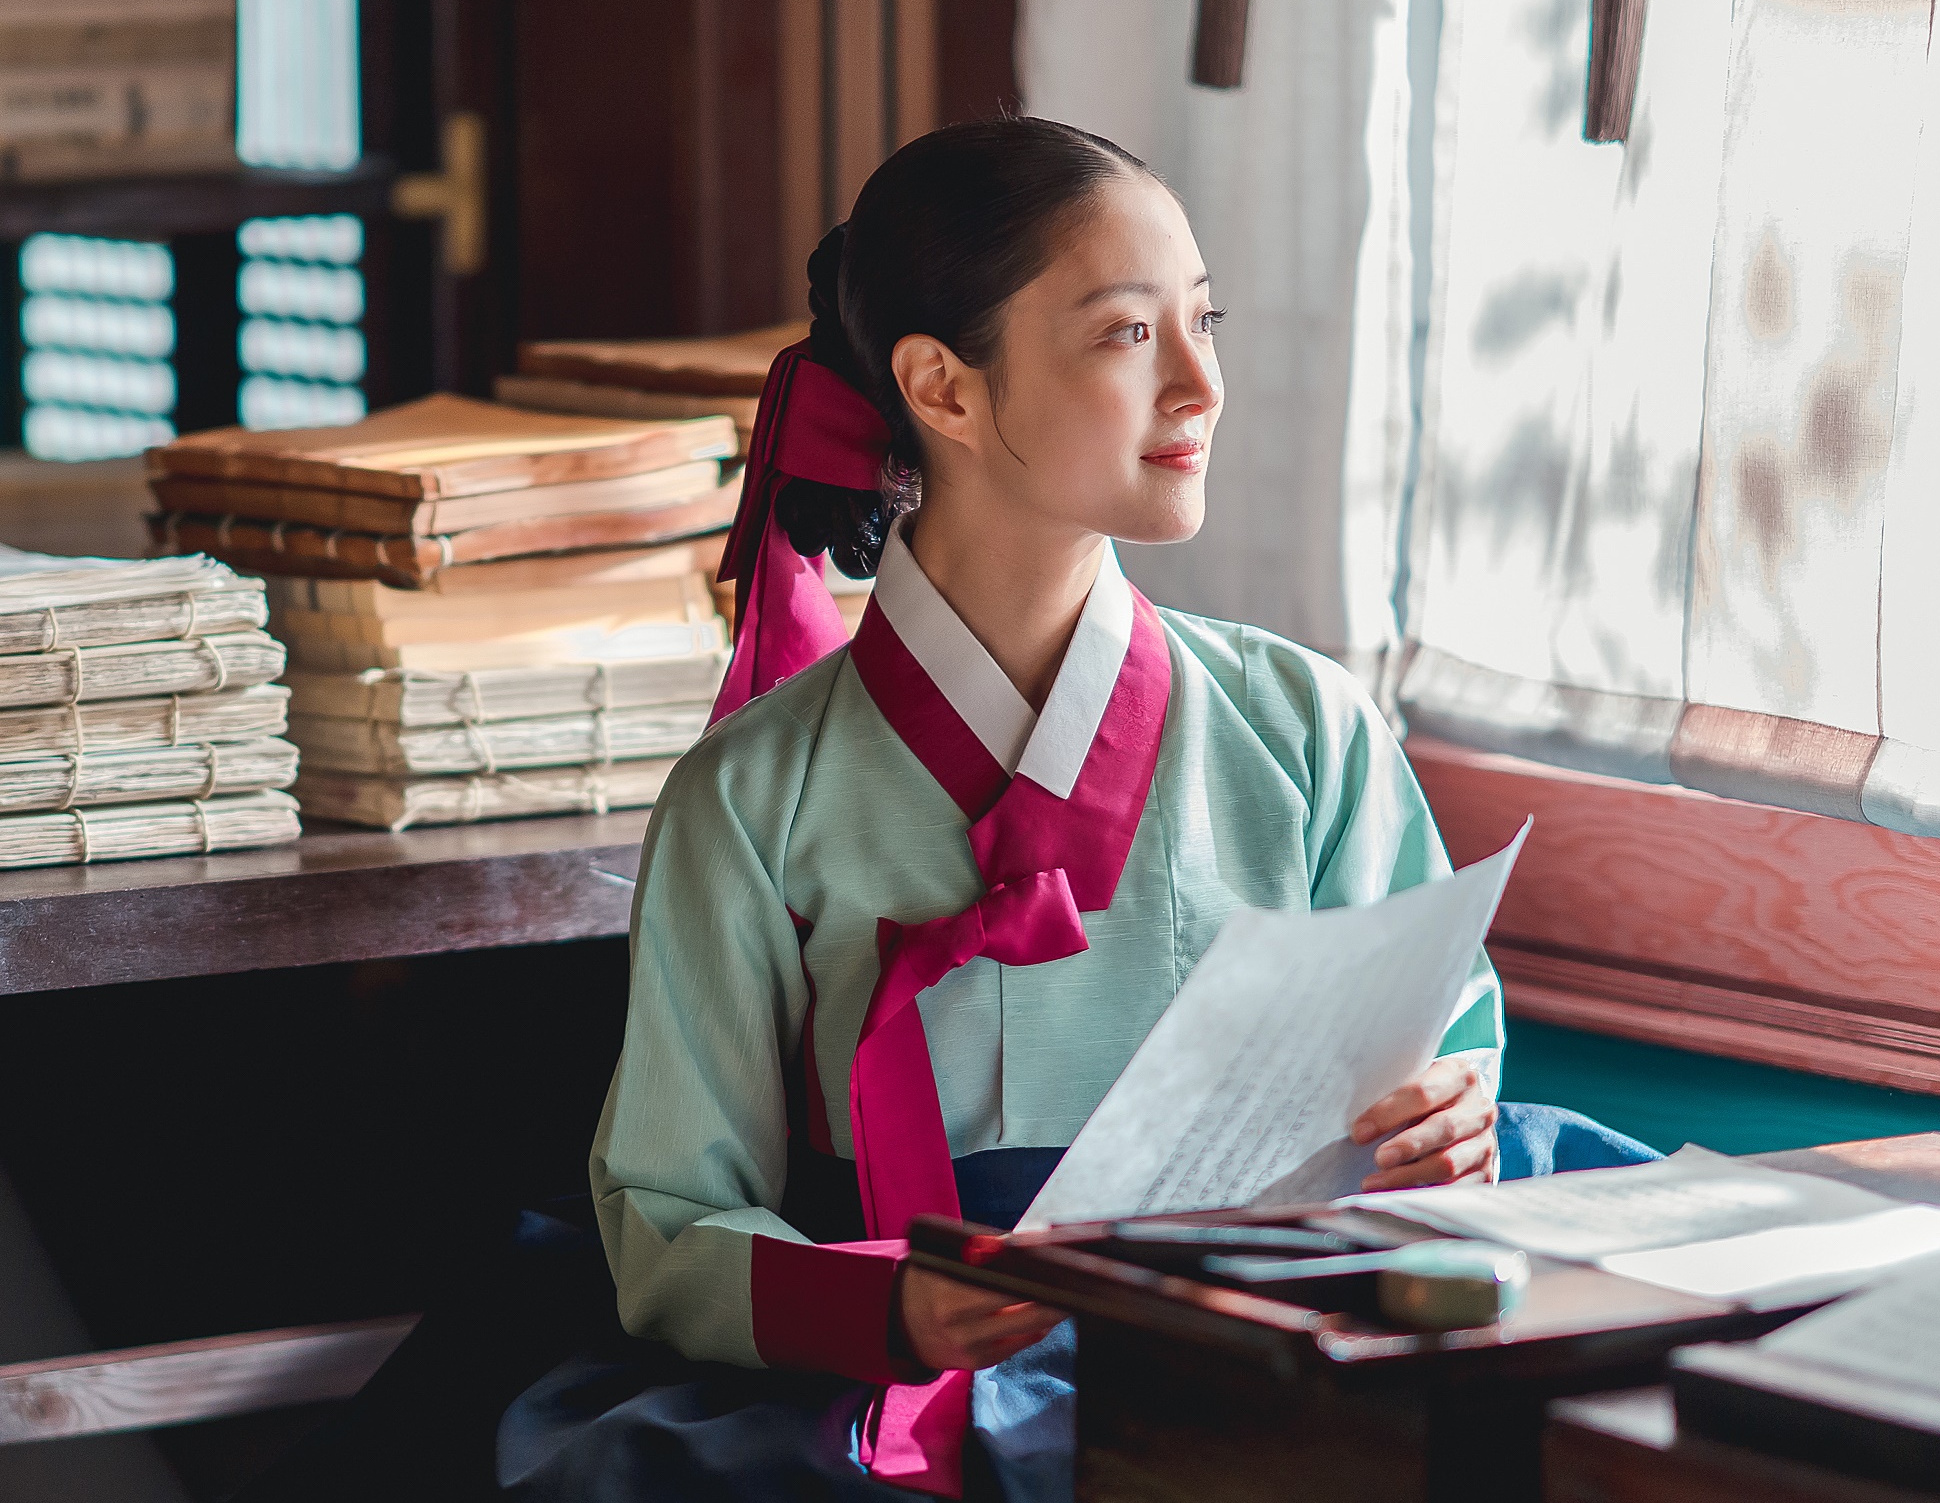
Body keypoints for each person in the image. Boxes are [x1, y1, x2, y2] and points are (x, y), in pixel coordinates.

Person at [496, 117, 1654, 1503]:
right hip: (908, 1364)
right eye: (1124, 334)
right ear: (945, 385)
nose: (1199, 384)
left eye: (1203, 322)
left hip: (1276, 1338)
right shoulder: (752, 795)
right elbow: (669, 1211)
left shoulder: (1307, 728)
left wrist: (1446, 1114)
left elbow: (1444, 1029)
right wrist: (897, 1306)